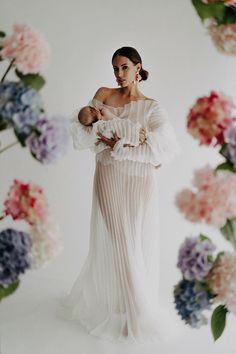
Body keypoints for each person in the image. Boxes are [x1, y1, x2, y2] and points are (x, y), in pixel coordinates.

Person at [60, 46, 181, 343]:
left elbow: (163, 146)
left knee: (134, 240)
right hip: (108, 175)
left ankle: (131, 307)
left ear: (138, 68)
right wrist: (120, 131)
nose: (118, 74)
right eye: (115, 68)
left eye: (124, 67)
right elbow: (83, 126)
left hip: (140, 181)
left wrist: (126, 135)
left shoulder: (152, 106)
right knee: (119, 240)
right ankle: (134, 309)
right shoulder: (103, 93)